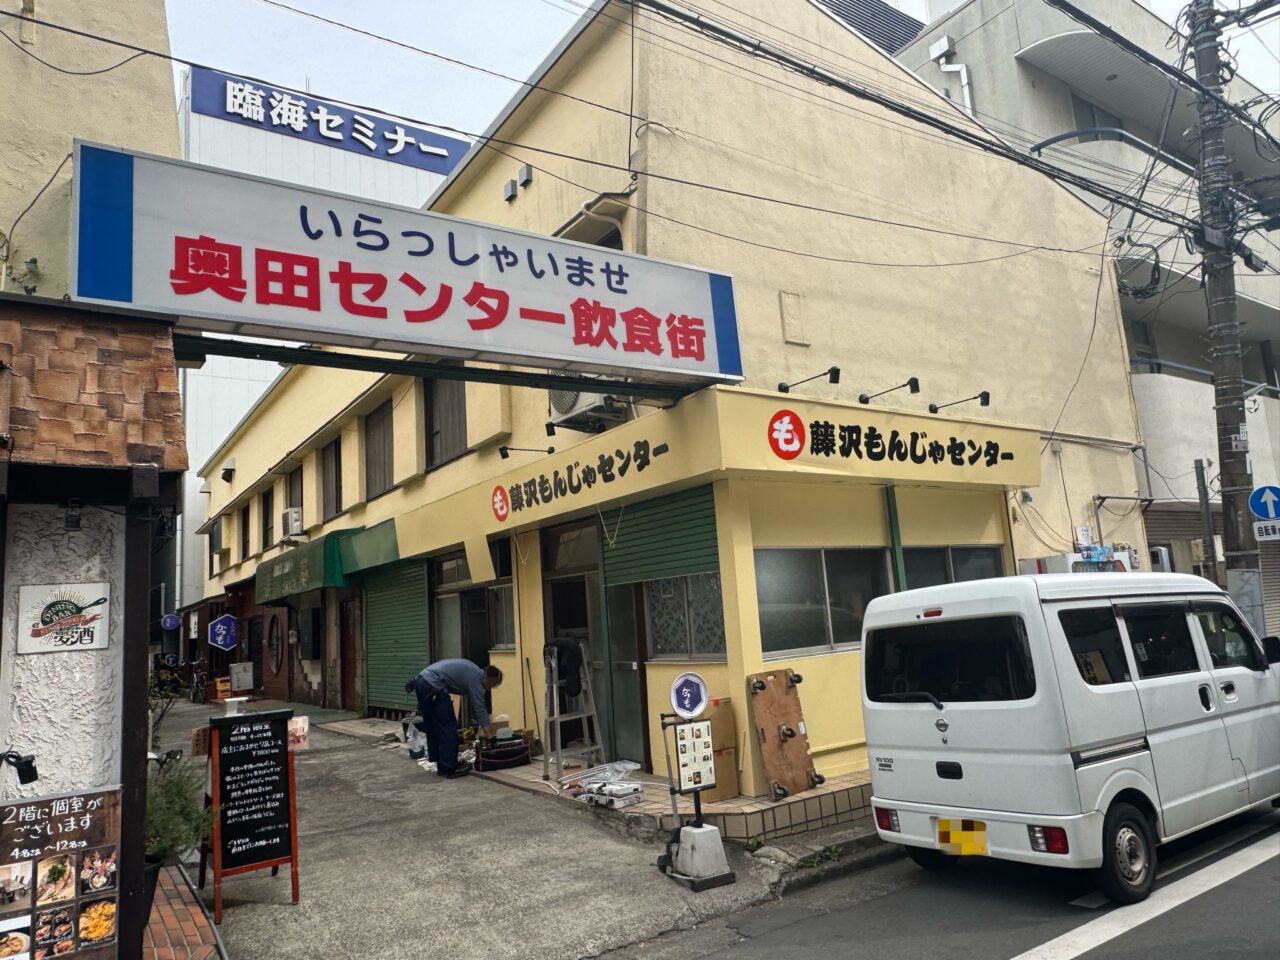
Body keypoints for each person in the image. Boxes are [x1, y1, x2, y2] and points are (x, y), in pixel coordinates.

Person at [406, 660, 503, 779]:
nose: (492, 688)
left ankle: (443, 766)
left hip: (423, 682)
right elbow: (480, 710)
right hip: (432, 686)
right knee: (448, 727)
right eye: (494, 685)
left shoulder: (474, 670)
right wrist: (490, 737)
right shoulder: (477, 680)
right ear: (490, 679)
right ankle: (450, 768)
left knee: (435, 727)